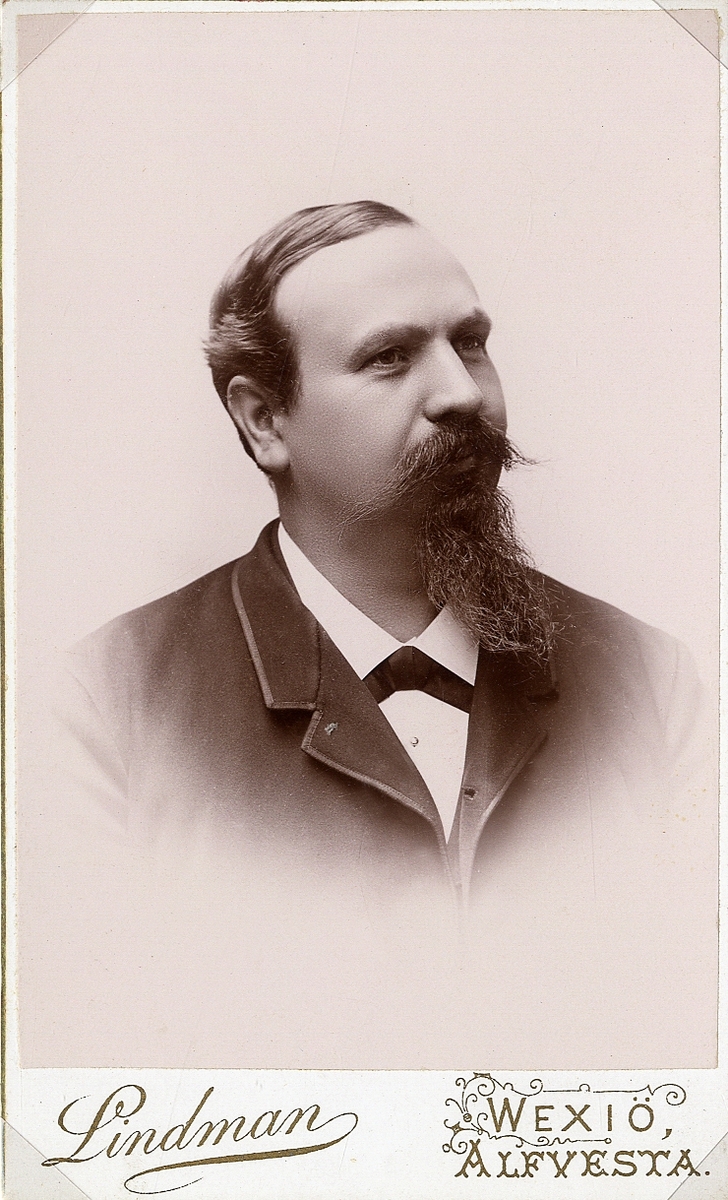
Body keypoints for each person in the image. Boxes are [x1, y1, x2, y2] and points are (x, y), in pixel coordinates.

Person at [40, 202, 716, 1068]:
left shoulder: (647, 681)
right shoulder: (107, 705)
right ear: (264, 420)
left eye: (470, 342)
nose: (462, 392)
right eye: (389, 357)